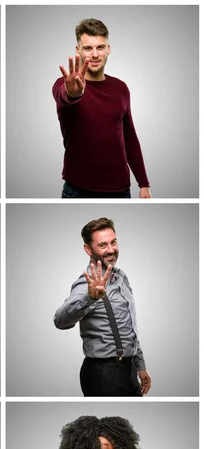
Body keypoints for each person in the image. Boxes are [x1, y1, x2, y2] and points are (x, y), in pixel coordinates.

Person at [53, 18, 151, 198]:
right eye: (88, 48)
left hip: (121, 190)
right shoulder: (64, 85)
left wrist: (143, 183)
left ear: (108, 49)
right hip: (78, 190)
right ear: (78, 51)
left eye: (100, 47)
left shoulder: (121, 88)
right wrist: (73, 93)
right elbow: (64, 96)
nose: (95, 54)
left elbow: (129, 137)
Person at [54, 218, 151, 396]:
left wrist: (140, 365)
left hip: (128, 370)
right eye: (103, 245)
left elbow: (128, 327)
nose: (111, 250)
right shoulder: (85, 284)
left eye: (113, 242)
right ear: (88, 249)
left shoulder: (121, 277)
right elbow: (60, 320)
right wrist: (90, 298)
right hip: (102, 373)